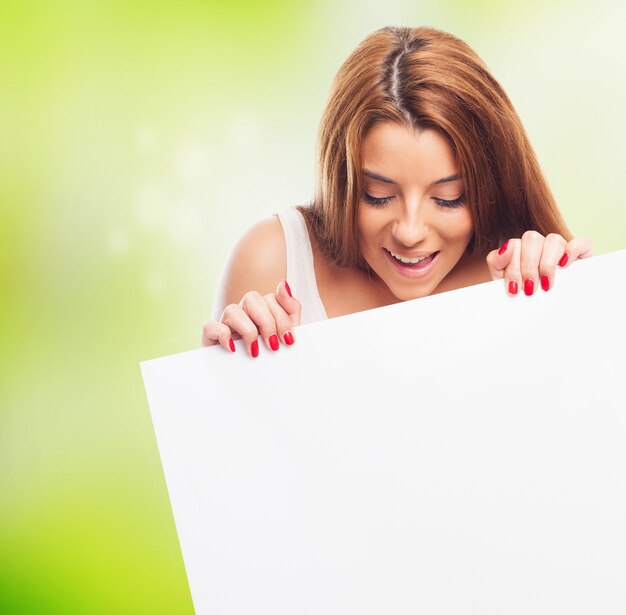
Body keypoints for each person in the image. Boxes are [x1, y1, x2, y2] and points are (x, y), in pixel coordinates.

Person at [202, 25, 592, 357]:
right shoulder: (275, 260)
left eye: (448, 198)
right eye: (377, 195)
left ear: (491, 185)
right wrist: (219, 377)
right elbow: (220, 440)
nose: (409, 231)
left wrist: (583, 302)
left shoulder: (518, 271)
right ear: (342, 181)